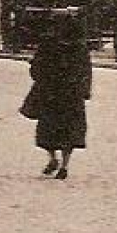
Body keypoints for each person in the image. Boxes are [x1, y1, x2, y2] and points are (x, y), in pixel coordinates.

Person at [25, 10, 92, 180]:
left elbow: (36, 70)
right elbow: (86, 70)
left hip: (51, 95)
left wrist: (38, 75)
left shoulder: (48, 44)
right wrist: (84, 90)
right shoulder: (80, 46)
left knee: (48, 130)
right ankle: (65, 165)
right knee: (70, 132)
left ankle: (53, 159)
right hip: (72, 95)